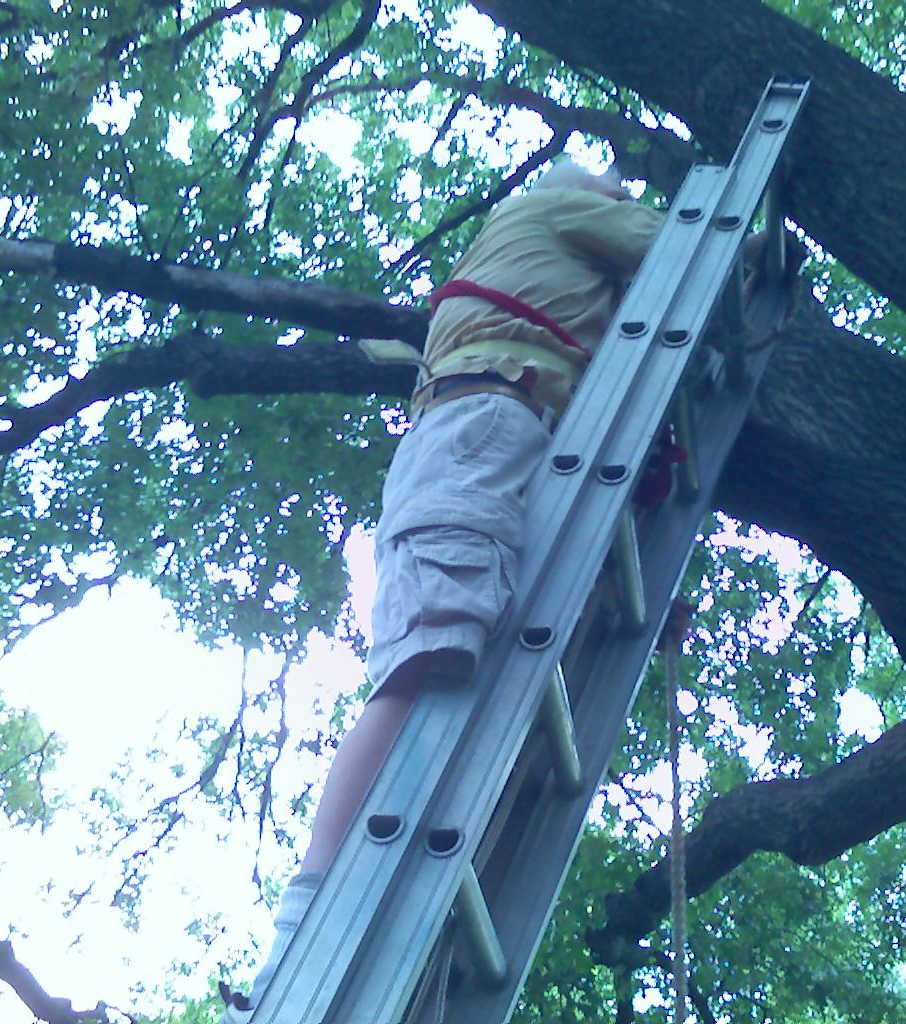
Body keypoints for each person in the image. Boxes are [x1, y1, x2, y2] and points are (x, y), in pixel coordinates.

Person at [225, 161, 664, 1014]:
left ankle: (340, 937)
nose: (624, 199)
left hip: (493, 431)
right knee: (431, 662)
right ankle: (301, 935)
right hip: (481, 429)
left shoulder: (550, 281)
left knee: (468, 660)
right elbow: (678, 246)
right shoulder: (562, 209)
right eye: (617, 189)